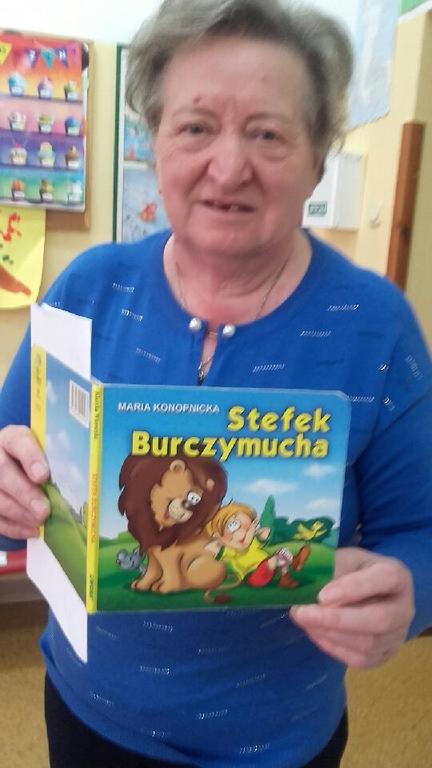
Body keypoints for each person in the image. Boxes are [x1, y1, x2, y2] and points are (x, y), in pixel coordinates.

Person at [0, 0, 431, 766]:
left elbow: (421, 531)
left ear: (318, 158)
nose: (228, 169)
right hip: (86, 715)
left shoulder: (376, 327)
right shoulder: (87, 290)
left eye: (267, 134)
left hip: (274, 744)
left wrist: (410, 594)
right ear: (156, 142)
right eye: (196, 127)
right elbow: (8, 467)